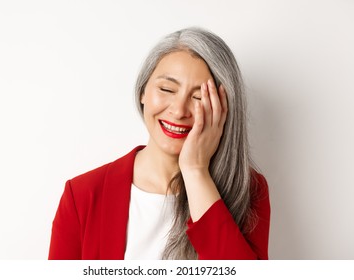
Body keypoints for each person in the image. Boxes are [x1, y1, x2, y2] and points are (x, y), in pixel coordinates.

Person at [48, 27, 270, 260]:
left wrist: (196, 172)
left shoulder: (249, 190)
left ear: (223, 109)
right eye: (166, 89)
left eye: (198, 97)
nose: (179, 110)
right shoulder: (82, 194)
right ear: (143, 91)